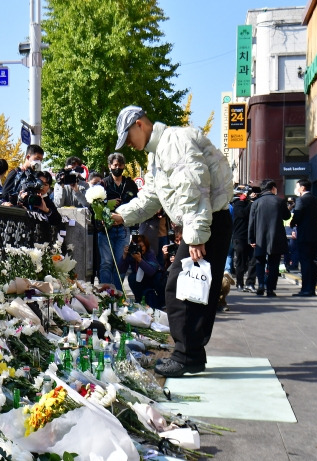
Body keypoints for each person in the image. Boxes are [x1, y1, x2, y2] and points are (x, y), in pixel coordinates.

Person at [111, 105, 233, 378]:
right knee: (195, 291)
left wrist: (196, 236)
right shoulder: (159, 152)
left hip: (204, 222)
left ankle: (186, 355)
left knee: (180, 287)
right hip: (204, 222)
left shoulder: (173, 142)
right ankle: (191, 355)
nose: (129, 145)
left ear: (140, 124)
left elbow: (195, 188)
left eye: (129, 137)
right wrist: (121, 216)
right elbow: (151, 196)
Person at [97, 152, 138, 292]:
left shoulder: (131, 184)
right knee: (106, 263)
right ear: (110, 166)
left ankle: (118, 295)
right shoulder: (102, 184)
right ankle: (105, 295)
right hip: (106, 230)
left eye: (120, 165)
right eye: (115, 165)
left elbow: (136, 204)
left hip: (124, 229)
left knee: (120, 263)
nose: (118, 167)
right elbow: (95, 206)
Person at [247, 179, 290, 297]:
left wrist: (251, 239)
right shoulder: (279, 201)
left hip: (259, 238)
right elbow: (287, 216)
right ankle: (270, 288)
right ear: (273, 188)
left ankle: (260, 285)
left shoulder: (256, 203)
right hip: (276, 237)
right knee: (274, 264)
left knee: (260, 262)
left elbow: (251, 222)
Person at [290, 178, 317, 296]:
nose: (296, 189)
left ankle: (306, 289)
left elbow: (297, 216)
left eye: (297, 186)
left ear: (302, 188)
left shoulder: (301, 200)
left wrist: (292, 223)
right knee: (313, 262)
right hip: (314, 235)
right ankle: (311, 288)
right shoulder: (315, 200)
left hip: (304, 235)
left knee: (305, 262)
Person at [119, 233, 164, 308]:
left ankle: (161, 302)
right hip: (140, 279)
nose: (140, 249)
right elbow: (121, 270)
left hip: (153, 279)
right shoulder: (131, 253)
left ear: (146, 246)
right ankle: (139, 299)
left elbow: (151, 272)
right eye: (137, 246)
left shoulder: (150, 253)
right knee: (132, 278)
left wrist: (139, 260)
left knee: (159, 277)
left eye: (142, 246)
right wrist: (124, 256)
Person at [231, 191, 253, 292]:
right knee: (241, 261)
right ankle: (240, 283)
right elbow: (242, 213)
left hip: (252, 237)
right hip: (240, 237)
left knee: (253, 261)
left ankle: (250, 283)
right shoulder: (238, 204)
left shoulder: (254, 204)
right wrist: (250, 202)